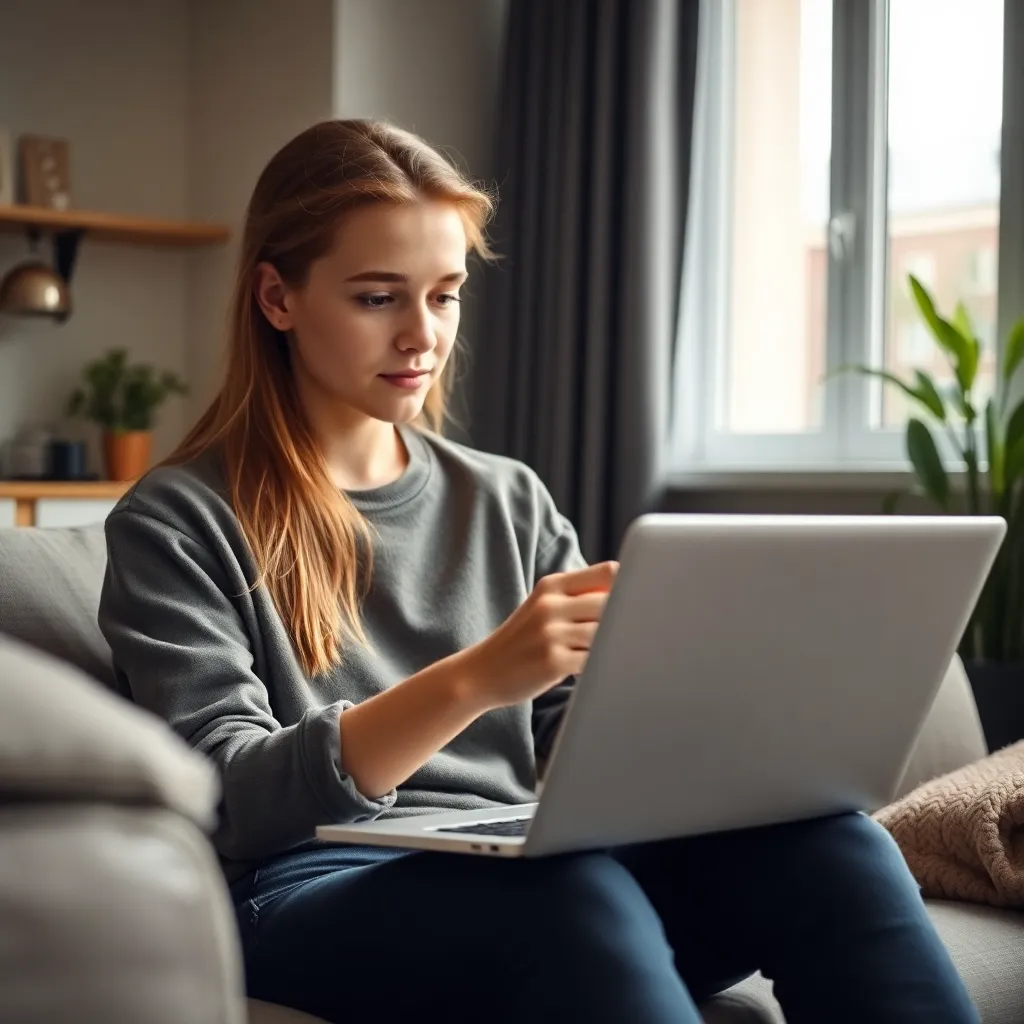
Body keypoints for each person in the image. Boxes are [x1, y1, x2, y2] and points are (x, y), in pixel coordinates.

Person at [98, 119, 978, 1024]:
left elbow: (580, 741)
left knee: (835, 848)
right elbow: (229, 797)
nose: (421, 335)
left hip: (522, 859)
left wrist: (715, 738)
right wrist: (479, 678)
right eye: (377, 298)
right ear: (277, 299)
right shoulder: (178, 521)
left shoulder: (508, 500)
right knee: (569, 897)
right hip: (310, 887)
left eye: (445, 296)